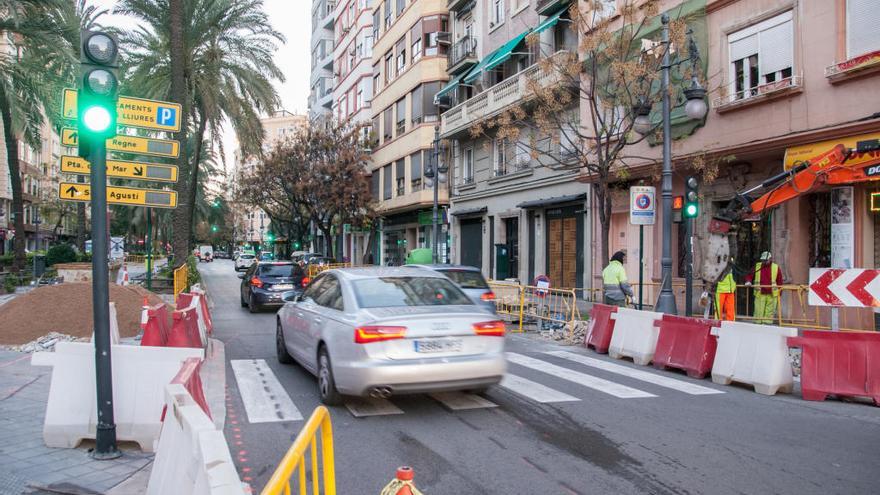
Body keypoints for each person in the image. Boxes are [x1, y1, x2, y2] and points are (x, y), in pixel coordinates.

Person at [745, 251, 783, 324]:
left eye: (766, 260)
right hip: (760, 293)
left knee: (769, 312)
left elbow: (779, 281)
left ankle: (767, 324)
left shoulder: (776, 267)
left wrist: (779, 292)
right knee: (758, 311)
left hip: (772, 294)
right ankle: (758, 324)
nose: (764, 262)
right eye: (763, 260)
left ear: (770, 259)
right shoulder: (757, 266)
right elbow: (749, 275)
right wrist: (748, 281)